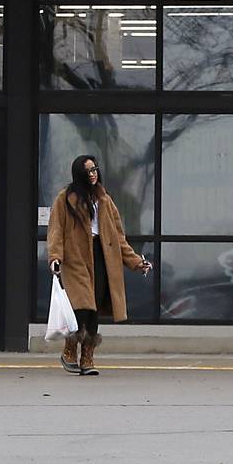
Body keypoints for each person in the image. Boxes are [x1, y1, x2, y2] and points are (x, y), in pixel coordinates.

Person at [46, 154, 151, 375]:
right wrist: (55, 257)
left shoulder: (105, 201)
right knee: (83, 307)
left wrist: (135, 262)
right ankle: (69, 347)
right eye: (88, 171)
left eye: (95, 169)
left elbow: (118, 237)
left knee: (94, 311)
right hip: (76, 259)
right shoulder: (65, 199)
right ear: (79, 174)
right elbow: (55, 231)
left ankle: (87, 357)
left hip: (102, 256)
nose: (93, 174)